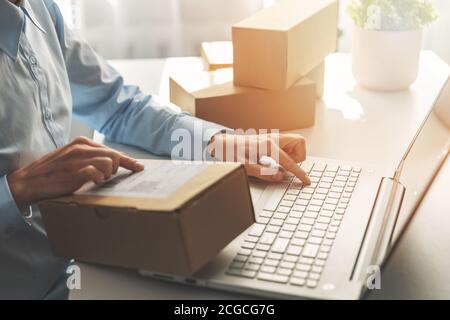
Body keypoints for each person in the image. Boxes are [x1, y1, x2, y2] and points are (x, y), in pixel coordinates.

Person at [0, 0, 310, 299]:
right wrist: (20, 187)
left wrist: (214, 141)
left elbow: (118, 106)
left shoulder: (41, 10)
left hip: (85, 261)